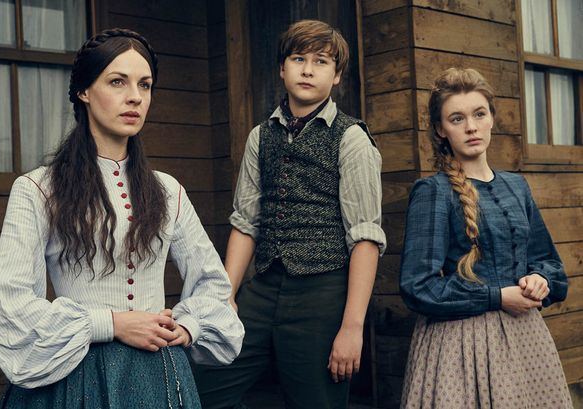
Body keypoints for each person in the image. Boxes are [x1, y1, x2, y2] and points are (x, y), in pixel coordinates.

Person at [0, 28, 243, 409]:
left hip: (159, 372)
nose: (135, 97)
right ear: (84, 91)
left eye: (145, 84)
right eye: (117, 81)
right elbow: (11, 303)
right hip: (74, 374)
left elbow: (213, 284)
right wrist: (112, 324)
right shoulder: (38, 189)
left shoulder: (167, 189)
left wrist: (188, 327)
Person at [193, 19, 387, 409]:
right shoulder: (260, 136)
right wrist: (227, 296)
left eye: (321, 61)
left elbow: (365, 237)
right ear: (282, 68)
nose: (308, 69)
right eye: (298, 58)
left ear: (336, 77)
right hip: (263, 289)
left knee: (316, 400)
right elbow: (246, 222)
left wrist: (352, 328)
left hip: (323, 292)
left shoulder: (351, 138)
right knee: (206, 389)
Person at [399, 68, 572, 408]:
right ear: (441, 129)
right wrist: (496, 297)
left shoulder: (516, 186)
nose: (471, 127)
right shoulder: (433, 192)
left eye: (479, 114)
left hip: (526, 341)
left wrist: (539, 279)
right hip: (461, 346)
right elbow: (417, 285)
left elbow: (550, 263)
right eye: (457, 118)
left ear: (492, 118)